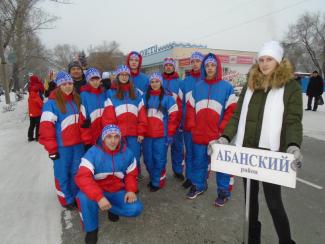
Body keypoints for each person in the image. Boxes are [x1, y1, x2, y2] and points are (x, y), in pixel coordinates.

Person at [210, 41, 302, 244]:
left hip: (272, 154)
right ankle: (252, 240)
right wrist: (225, 137)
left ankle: (286, 241)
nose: (264, 63)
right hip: (248, 152)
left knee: (274, 202)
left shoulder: (290, 87)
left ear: (278, 61)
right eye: (261, 59)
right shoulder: (250, 85)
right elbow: (236, 116)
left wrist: (294, 144)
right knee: (250, 202)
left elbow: (293, 119)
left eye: (269, 59)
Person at [75, 124, 143, 244]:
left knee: (136, 208)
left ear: (120, 138)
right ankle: (92, 230)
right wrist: (99, 197)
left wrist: (131, 190)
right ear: (103, 138)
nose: (113, 141)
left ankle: (110, 208)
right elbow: (83, 177)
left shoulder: (127, 153)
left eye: (116, 137)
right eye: (109, 137)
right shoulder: (92, 153)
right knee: (83, 198)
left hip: (116, 190)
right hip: (98, 189)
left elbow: (131, 174)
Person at [185, 53, 236, 205]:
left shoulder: (226, 87)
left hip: (217, 134)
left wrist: (223, 130)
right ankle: (199, 185)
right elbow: (189, 108)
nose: (210, 68)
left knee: (220, 164)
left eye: (213, 65)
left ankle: (223, 191)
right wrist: (193, 126)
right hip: (199, 133)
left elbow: (231, 110)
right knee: (198, 161)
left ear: (218, 67)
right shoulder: (198, 86)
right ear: (204, 68)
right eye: (207, 65)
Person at [39, 71, 84, 210]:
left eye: (70, 83)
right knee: (62, 174)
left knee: (77, 172)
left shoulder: (77, 100)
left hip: (78, 145)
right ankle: (66, 199)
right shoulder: (51, 104)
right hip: (62, 147)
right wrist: (52, 149)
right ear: (58, 86)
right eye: (64, 84)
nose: (68, 86)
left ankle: (76, 196)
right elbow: (46, 128)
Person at [102, 65, 147, 179]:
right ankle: (122, 180)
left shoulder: (136, 93)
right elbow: (108, 117)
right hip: (118, 134)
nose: (124, 76)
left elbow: (142, 114)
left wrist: (141, 132)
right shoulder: (111, 93)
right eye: (121, 74)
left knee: (135, 156)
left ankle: (133, 179)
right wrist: (112, 135)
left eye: (126, 74)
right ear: (117, 76)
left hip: (134, 134)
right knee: (120, 157)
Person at [143, 72, 179, 191]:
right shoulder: (144, 97)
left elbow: (174, 118)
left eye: (157, 81)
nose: (154, 84)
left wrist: (170, 134)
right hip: (147, 136)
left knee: (159, 159)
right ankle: (154, 177)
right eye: (152, 82)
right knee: (148, 159)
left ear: (161, 83)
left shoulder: (168, 98)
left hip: (161, 136)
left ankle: (157, 182)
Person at [181, 51, 204, 189]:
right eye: (193, 61)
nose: (195, 64)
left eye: (198, 61)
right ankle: (189, 177)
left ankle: (200, 179)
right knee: (189, 152)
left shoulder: (206, 80)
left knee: (200, 154)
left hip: (202, 125)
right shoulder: (186, 81)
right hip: (188, 124)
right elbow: (181, 103)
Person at [162, 57, 184, 180]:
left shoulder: (180, 82)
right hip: (162, 123)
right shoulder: (159, 81)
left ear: (174, 67)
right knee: (162, 149)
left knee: (177, 148)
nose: (168, 67)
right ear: (164, 67)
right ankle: (161, 172)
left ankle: (178, 170)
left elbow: (182, 104)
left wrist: (180, 121)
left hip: (176, 121)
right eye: (166, 65)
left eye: (170, 65)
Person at [79, 68, 106, 151]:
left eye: (97, 79)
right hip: (92, 134)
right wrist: (87, 140)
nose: (95, 82)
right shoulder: (84, 95)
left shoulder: (104, 93)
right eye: (92, 79)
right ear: (88, 81)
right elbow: (83, 120)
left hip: (105, 133)